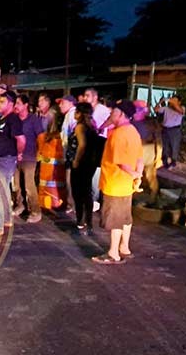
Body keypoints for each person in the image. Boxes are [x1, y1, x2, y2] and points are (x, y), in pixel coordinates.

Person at [93, 100, 142, 265]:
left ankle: (113, 253)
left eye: (113, 112)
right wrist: (137, 175)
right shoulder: (133, 131)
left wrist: (134, 173)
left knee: (115, 220)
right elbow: (140, 157)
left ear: (121, 115)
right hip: (127, 184)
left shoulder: (119, 134)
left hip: (115, 183)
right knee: (125, 218)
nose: (110, 114)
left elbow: (122, 163)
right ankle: (124, 248)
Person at [0, 92, 26, 238]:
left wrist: (19, 153)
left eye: (2, 101)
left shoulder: (12, 120)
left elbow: (21, 139)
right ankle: (7, 219)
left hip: (5, 159)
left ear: (11, 104)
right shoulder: (2, 119)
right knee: (4, 190)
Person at [66, 103, 98, 235]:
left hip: (80, 164)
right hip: (90, 164)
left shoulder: (79, 127)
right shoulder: (92, 126)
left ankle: (80, 220)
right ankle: (88, 221)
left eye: (76, 111)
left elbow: (82, 145)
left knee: (78, 193)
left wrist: (76, 161)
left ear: (79, 113)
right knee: (87, 192)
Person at [13, 94, 44, 223]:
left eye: (18, 103)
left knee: (29, 185)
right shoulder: (14, 119)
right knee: (16, 185)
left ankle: (35, 211)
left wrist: (40, 153)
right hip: (15, 157)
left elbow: (41, 136)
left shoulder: (33, 120)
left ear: (26, 105)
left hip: (29, 157)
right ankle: (19, 205)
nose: (16, 106)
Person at [84, 88, 112, 209]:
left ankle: (95, 199)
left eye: (87, 96)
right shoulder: (89, 110)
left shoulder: (102, 110)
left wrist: (100, 128)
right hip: (91, 142)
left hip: (100, 142)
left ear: (95, 97)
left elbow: (111, 121)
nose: (85, 98)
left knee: (96, 170)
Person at [131, 100, 162, 204]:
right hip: (137, 151)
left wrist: (158, 157)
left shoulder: (151, 123)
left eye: (138, 109)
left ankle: (153, 198)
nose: (136, 112)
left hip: (147, 151)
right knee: (135, 175)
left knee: (150, 176)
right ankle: (133, 198)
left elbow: (158, 141)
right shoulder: (130, 122)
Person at [154, 95, 186, 169]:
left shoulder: (182, 108)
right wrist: (160, 102)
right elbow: (156, 109)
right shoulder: (166, 108)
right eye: (172, 100)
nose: (172, 102)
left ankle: (173, 162)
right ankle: (164, 162)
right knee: (165, 146)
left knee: (174, 146)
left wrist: (169, 100)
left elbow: (180, 110)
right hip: (165, 129)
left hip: (174, 130)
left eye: (175, 101)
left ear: (179, 102)